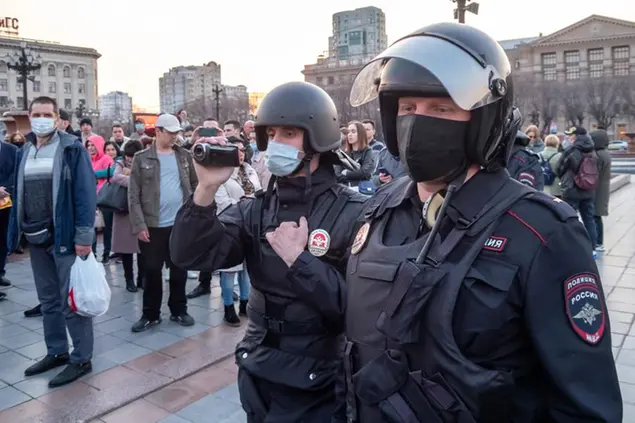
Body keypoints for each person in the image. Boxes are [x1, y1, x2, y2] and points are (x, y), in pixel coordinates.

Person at [343, 22, 621, 422]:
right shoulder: (379, 208)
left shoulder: (542, 233)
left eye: (441, 108)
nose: (418, 122)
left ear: (483, 122)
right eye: (407, 108)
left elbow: (584, 406)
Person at [170, 81, 367, 423]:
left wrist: (300, 261)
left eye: (288, 133)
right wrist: (205, 188)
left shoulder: (354, 212)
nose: (276, 143)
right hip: (257, 365)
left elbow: (359, 312)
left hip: (318, 379)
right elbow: (190, 255)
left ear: (318, 139)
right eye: (271, 133)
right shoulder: (256, 210)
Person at [9, 96, 96, 387]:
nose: (42, 118)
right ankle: (56, 351)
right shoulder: (25, 150)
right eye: (37, 113)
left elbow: (85, 194)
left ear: (58, 118)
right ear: (30, 117)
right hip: (35, 237)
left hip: (65, 238)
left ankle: (81, 357)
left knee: (71, 301)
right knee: (48, 301)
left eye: (48, 113)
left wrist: (84, 237)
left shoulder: (72, 148)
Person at [556, 126, 599, 254]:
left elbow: (559, 167)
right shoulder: (593, 151)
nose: (569, 137)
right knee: (589, 219)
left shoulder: (571, 150)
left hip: (572, 190)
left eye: (571, 134)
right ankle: (592, 248)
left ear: (577, 136)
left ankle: (569, 247)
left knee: (569, 218)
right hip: (589, 190)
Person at [590, 126, 611, 252]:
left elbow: (593, 173)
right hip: (602, 189)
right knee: (597, 216)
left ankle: (598, 242)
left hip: (597, 190)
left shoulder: (597, 155)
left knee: (595, 216)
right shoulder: (605, 154)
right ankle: (599, 242)